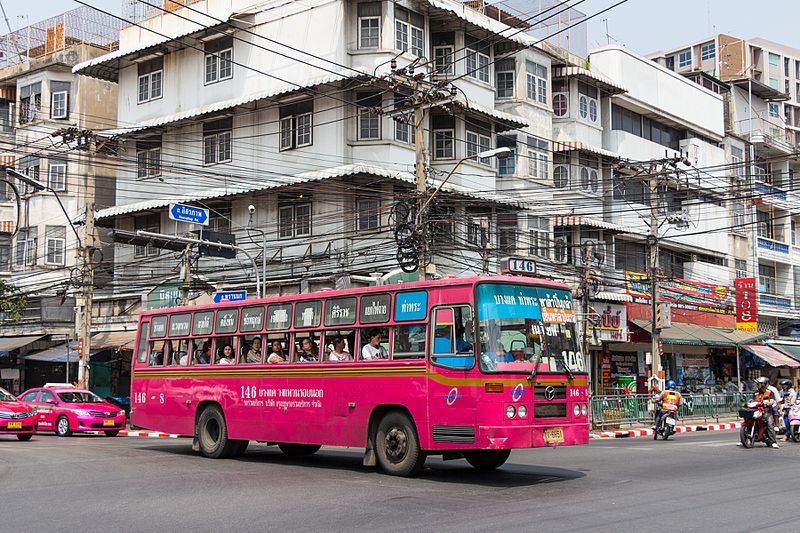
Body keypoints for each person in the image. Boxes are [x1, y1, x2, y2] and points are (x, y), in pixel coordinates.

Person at [753, 376, 779, 448]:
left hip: (766, 411)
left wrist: (768, 403)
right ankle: (743, 439)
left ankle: (773, 442)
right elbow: (752, 400)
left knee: (770, 424)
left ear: (763, 384)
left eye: (758, 384)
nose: (757, 385)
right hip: (757, 411)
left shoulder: (770, 392)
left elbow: (772, 401)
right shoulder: (755, 393)